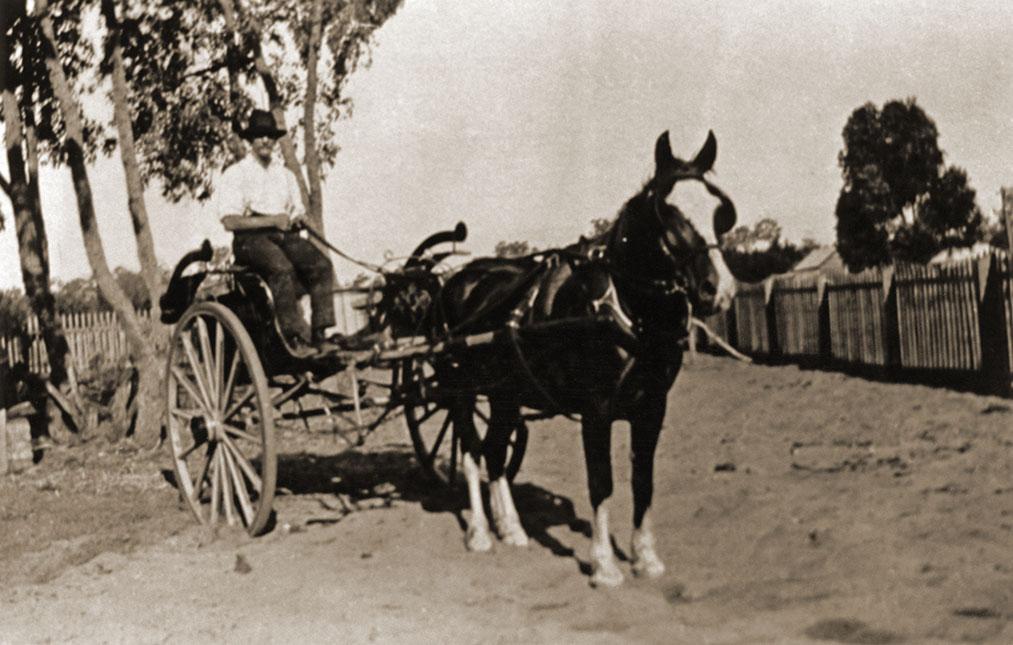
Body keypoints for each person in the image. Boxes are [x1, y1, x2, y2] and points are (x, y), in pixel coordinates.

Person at [217, 109, 337, 356]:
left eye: (270, 136)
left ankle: (319, 333)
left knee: (322, 265)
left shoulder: (285, 175)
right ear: (250, 140)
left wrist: (300, 219)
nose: (265, 141)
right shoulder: (236, 173)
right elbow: (230, 221)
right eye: (260, 135)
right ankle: (294, 338)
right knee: (281, 267)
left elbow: (295, 214)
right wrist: (272, 220)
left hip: (284, 236)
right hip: (249, 241)